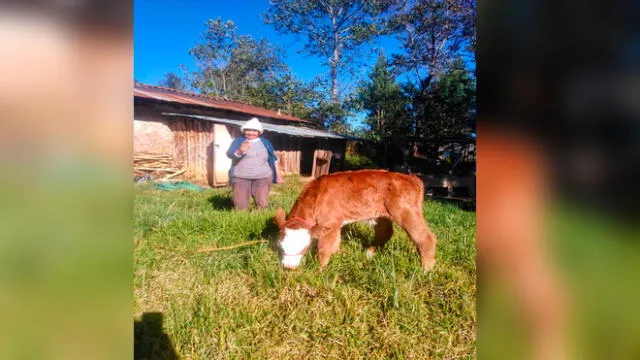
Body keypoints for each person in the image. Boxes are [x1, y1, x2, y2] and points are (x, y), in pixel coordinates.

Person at [226, 117, 284, 210]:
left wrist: (278, 176)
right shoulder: (238, 141)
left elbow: (273, 159)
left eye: (254, 130)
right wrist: (240, 151)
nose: (251, 133)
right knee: (240, 206)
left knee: (262, 203)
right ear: (244, 130)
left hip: (263, 177)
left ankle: (260, 219)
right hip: (241, 177)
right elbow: (230, 154)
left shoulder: (265, 142)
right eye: (248, 130)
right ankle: (242, 221)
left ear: (259, 132)